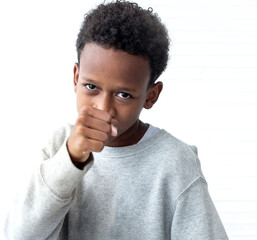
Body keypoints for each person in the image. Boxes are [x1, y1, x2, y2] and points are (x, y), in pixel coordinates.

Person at [4, 1, 228, 239]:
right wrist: (70, 160)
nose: (103, 108)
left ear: (151, 95)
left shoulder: (174, 162)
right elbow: (17, 235)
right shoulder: (60, 145)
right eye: (91, 87)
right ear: (76, 77)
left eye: (124, 95)